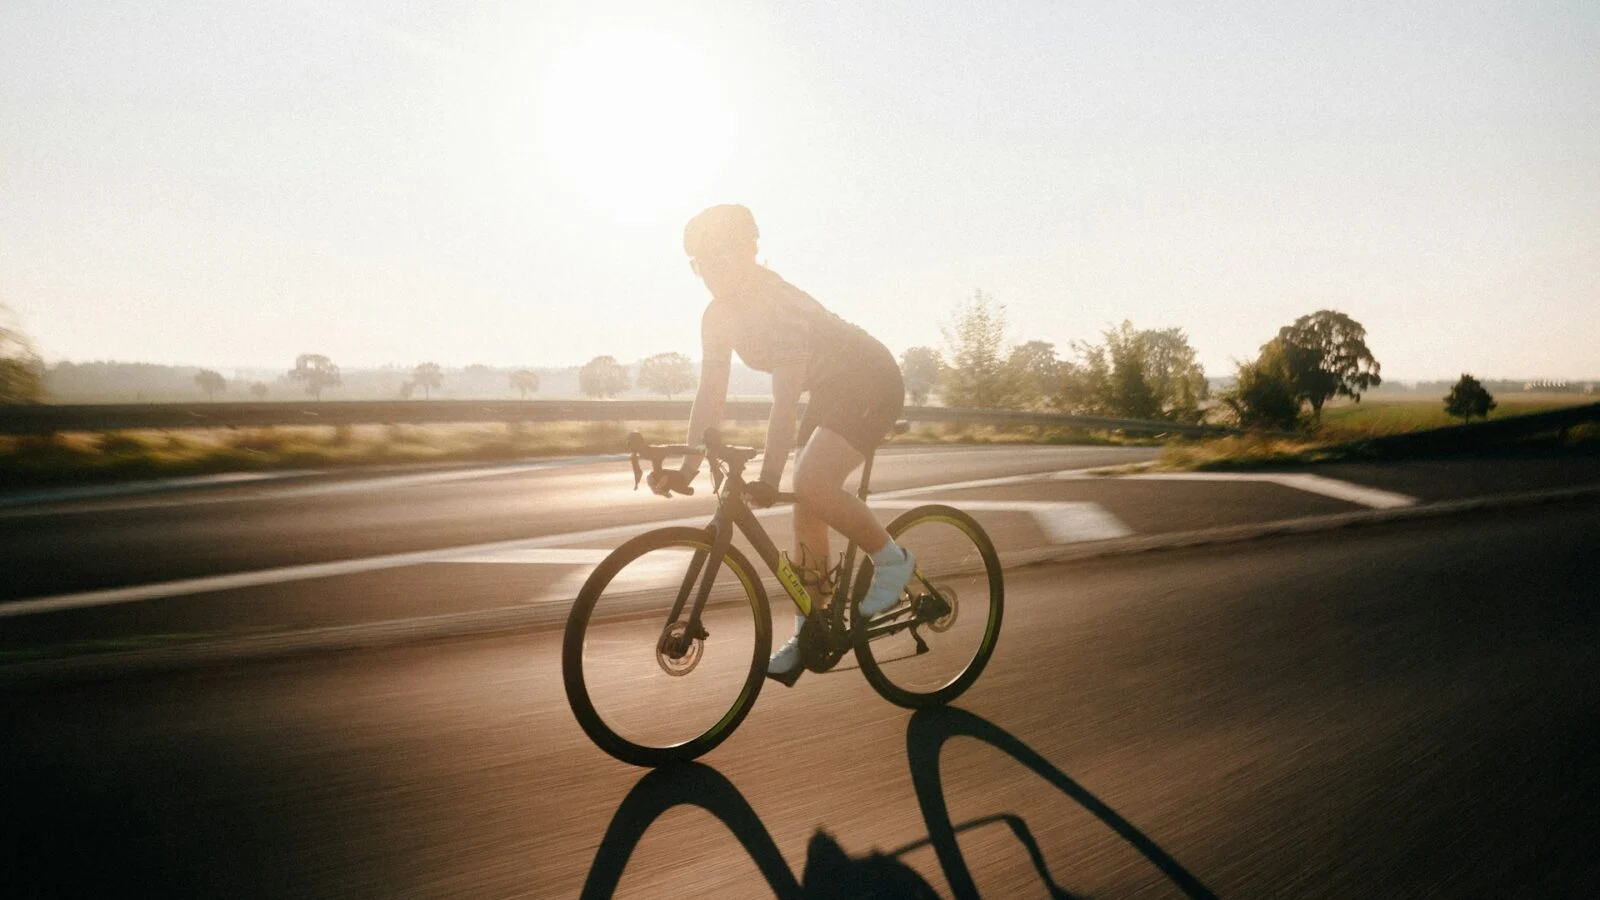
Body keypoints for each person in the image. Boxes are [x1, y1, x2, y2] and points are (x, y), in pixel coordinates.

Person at [646, 204, 914, 686]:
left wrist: (769, 477)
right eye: (699, 263)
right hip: (832, 389)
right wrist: (687, 469)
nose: (709, 272)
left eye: (719, 258)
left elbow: (785, 401)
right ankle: (814, 624)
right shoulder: (717, 317)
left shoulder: (779, 305)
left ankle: (892, 563)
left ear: (750, 251)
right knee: (807, 501)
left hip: (871, 380)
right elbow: (710, 395)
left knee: (809, 480)